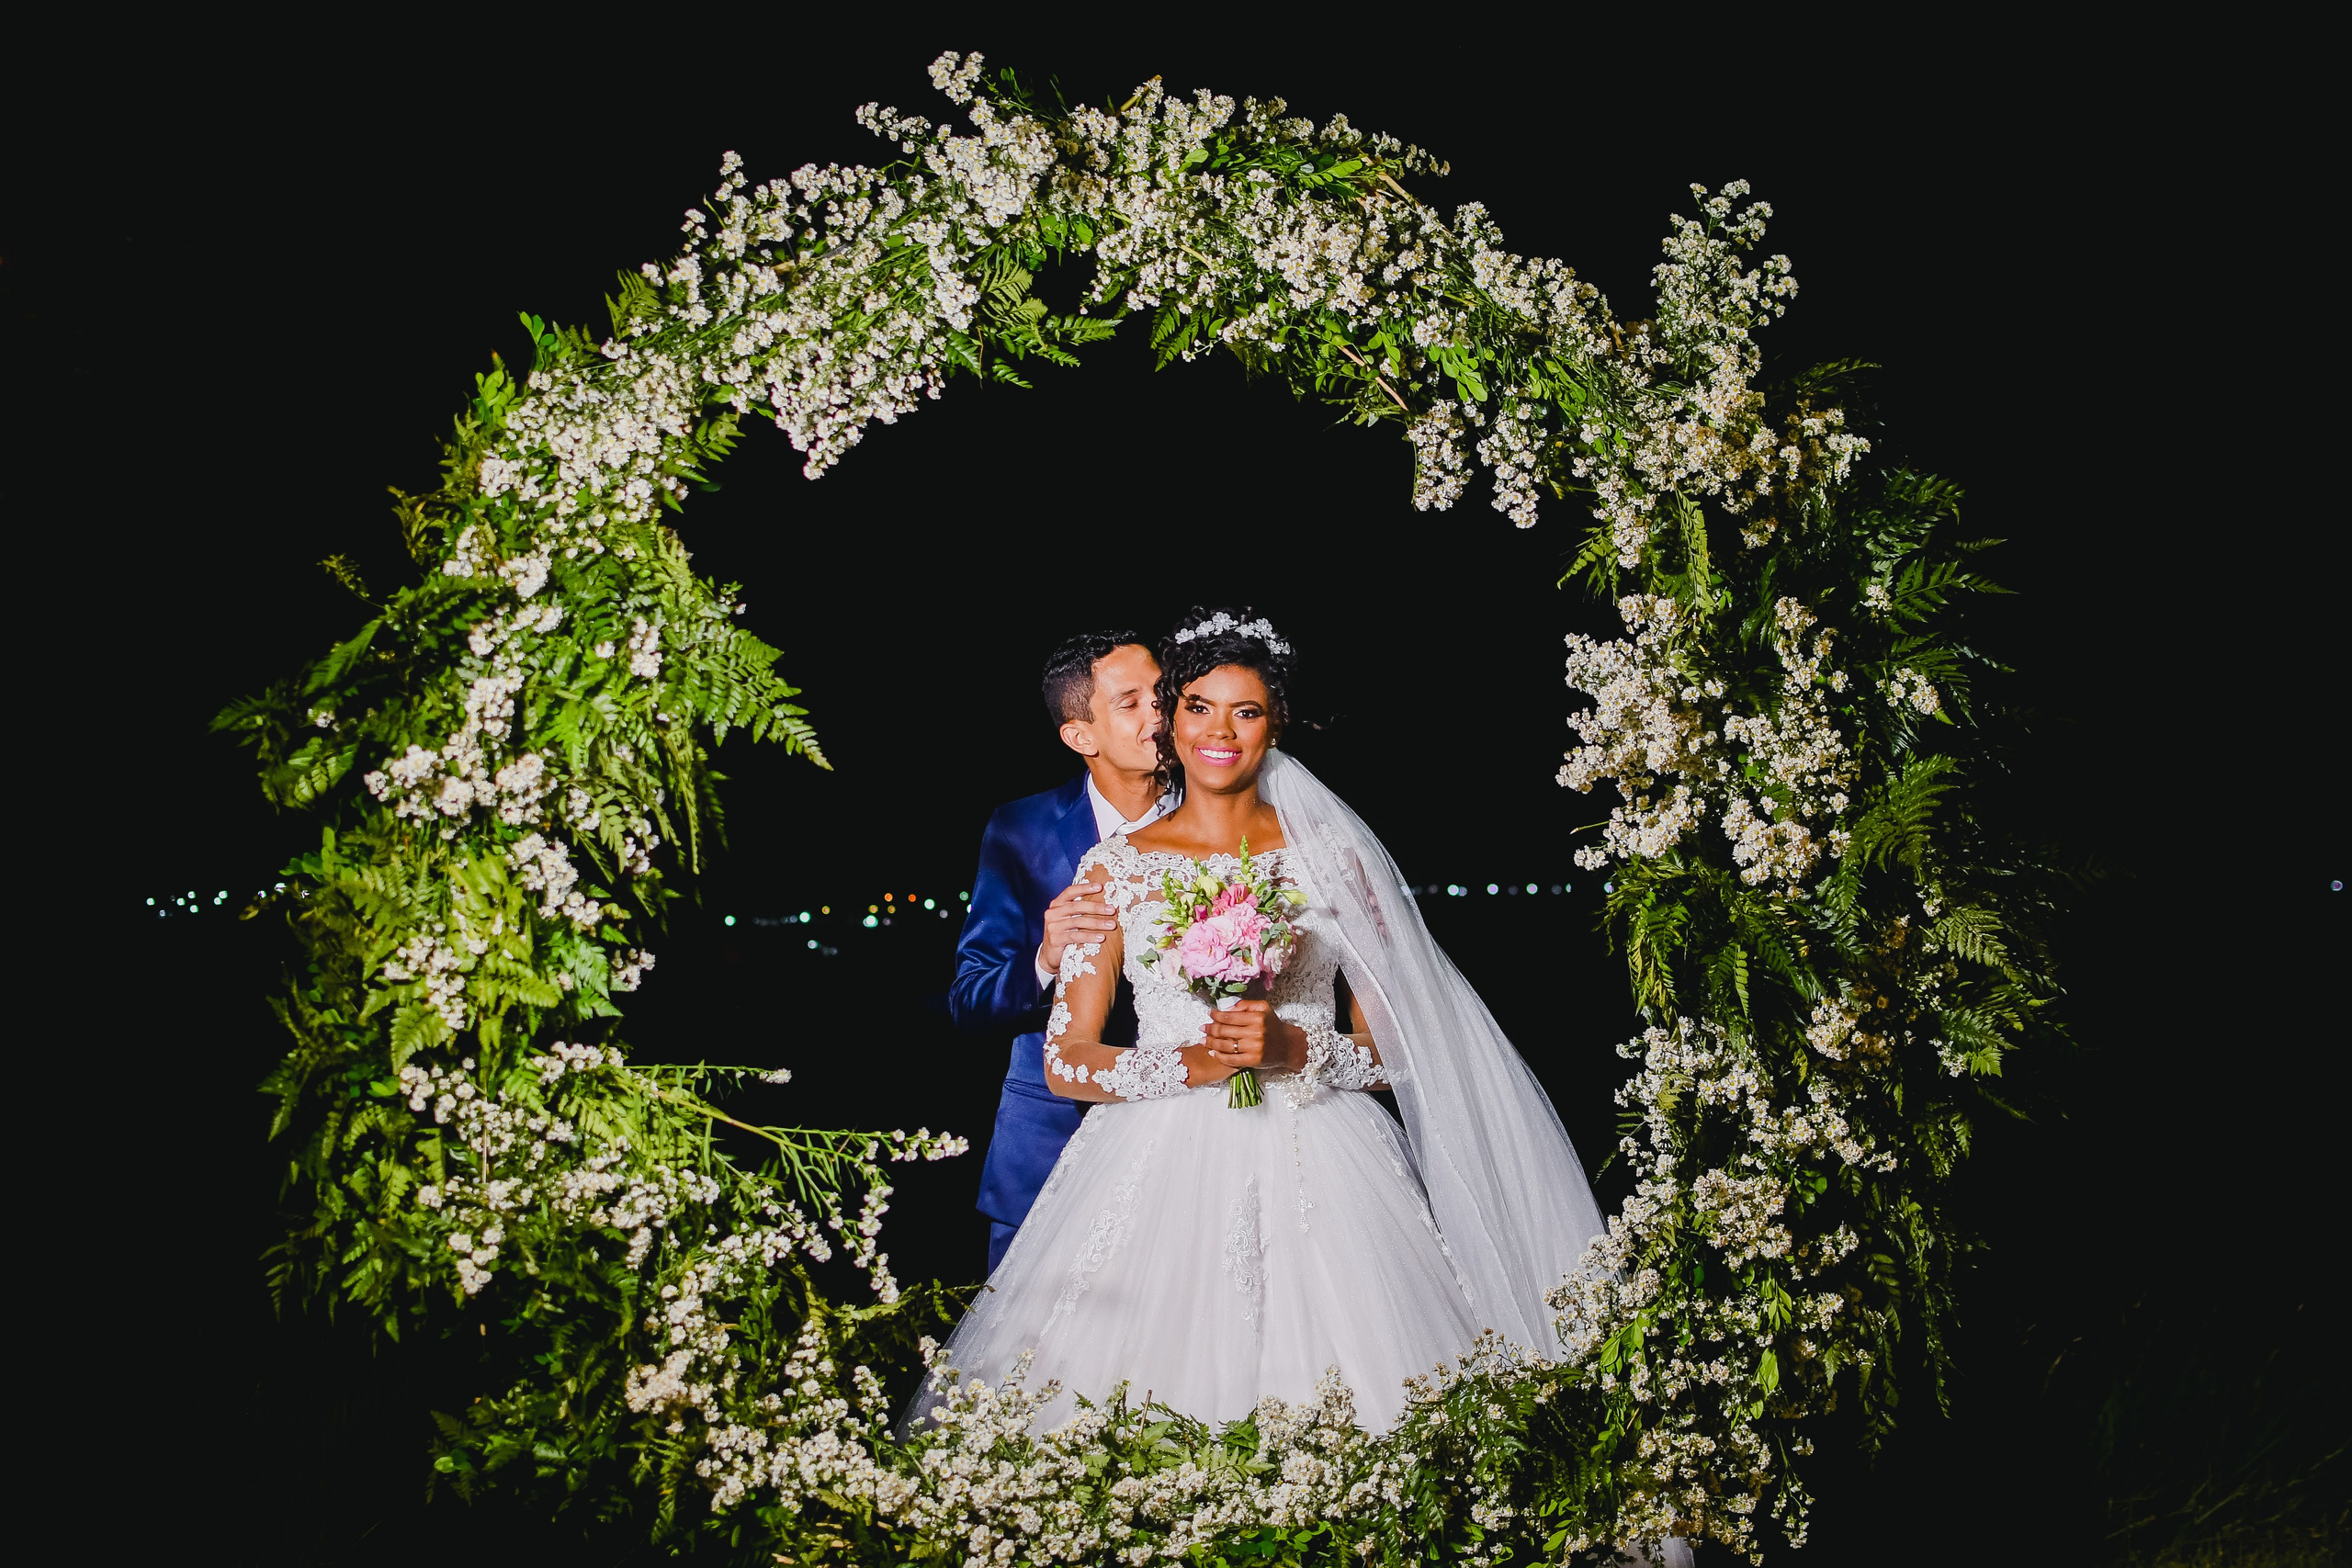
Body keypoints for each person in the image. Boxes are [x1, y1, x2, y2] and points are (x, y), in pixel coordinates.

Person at [924, 609, 1610, 1435]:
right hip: (1155, 1160)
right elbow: (1066, 1060)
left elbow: (1400, 1049)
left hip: (1327, 1157)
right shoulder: (1110, 870)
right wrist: (1194, 1063)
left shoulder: (1333, 860)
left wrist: (1294, 1047)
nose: (1219, 731)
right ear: (1174, 722)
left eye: (1245, 711)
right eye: (1197, 708)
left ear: (1274, 724)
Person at [951, 632, 1179, 1274]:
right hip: (1051, 1142)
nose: (1158, 713)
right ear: (1081, 735)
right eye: (1131, 702)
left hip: (1188, 1137)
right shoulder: (1020, 830)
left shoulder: (1222, 820)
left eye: (1162, 693)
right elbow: (968, 1001)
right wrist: (1045, 959)